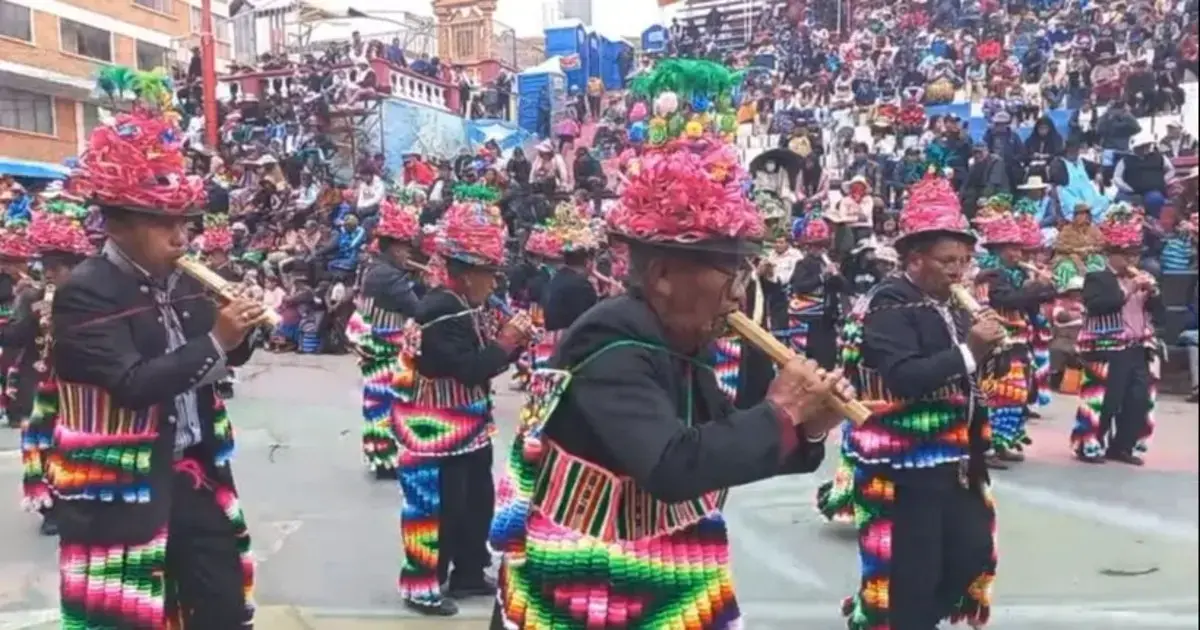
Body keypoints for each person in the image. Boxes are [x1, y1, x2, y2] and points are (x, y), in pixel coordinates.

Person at [489, 142, 847, 630]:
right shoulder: (612, 335)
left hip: (665, 571)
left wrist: (807, 426)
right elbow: (673, 464)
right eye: (730, 270)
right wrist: (780, 411)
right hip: (590, 583)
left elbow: (721, 441)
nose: (740, 290)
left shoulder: (678, 338)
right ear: (662, 276)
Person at [50, 103, 263, 627]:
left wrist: (241, 331)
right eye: (164, 223)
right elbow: (132, 384)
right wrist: (218, 337)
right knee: (127, 618)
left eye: (184, 223)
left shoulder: (187, 282)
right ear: (119, 224)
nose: (181, 238)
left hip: (194, 475)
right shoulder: (85, 292)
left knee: (223, 611)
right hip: (121, 488)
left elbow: (216, 360)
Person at [840, 174, 1003, 629]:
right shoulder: (887, 305)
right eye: (947, 260)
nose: (958, 271)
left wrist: (989, 357)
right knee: (910, 574)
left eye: (965, 261)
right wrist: (971, 349)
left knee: (972, 552)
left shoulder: (947, 303)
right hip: (905, 463)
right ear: (914, 260)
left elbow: (962, 374)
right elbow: (905, 377)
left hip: (955, 457)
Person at [394, 192, 532, 615]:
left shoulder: (466, 305)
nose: (494, 283)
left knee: (476, 502)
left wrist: (511, 342)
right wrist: (507, 342)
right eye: (489, 274)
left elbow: (483, 362)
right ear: (467, 275)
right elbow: (469, 368)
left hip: (469, 426)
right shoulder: (441, 310)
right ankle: (423, 583)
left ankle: (469, 570)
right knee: (439, 509)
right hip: (433, 430)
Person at [19, 204, 95, 537]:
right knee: (42, 444)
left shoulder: (92, 301)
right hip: (45, 386)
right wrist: (34, 315)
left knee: (74, 448)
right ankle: (49, 508)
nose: (50, 274)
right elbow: (15, 336)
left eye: (58, 268)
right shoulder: (34, 297)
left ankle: (75, 502)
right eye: (47, 267)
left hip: (79, 390)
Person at [1073, 205, 1166, 466]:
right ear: (1111, 255)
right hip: (1107, 347)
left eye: (1135, 255)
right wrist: (1129, 289)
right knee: (1107, 399)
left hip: (1138, 346)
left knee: (1138, 399)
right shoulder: (1097, 277)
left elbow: (1161, 313)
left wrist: (1154, 294)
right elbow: (1098, 305)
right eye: (1126, 255)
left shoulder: (1144, 277)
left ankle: (1122, 446)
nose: (1132, 261)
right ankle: (1089, 443)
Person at [973, 201, 1057, 466]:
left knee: (1018, 394)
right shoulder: (990, 275)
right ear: (996, 250)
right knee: (995, 394)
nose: (1016, 253)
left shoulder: (1016, 274)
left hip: (1019, 340)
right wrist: (1035, 288)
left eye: (1018, 248)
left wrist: (1045, 286)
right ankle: (985, 446)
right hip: (996, 341)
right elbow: (1008, 300)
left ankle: (1004, 441)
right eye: (1010, 248)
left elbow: (1029, 302)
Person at [346, 199, 422, 480]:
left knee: (376, 401)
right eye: (403, 248)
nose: (407, 253)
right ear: (391, 247)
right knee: (385, 402)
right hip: (384, 346)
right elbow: (416, 309)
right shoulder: (389, 276)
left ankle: (379, 456)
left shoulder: (377, 268)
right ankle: (384, 459)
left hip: (376, 345)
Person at [785, 213, 845, 369]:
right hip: (808, 322)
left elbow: (845, 288)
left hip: (828, 320)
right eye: (817, 245)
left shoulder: (829, 264)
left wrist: (836, 275)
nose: (820, 249)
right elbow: (799, 286)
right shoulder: (803, 264)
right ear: (808, 246)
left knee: (828, 362)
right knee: (809, 362)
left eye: (823, 245)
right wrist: (821, 277)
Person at [1114, 134, 1176, 218]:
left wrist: (1163, 180)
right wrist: (1126, 187)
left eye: (1147, 145)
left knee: (1155, 199)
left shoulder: (1159, 157)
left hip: (1153, 191)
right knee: (1123, 202)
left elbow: (1171, 169)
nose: (1146, 147)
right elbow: (1117, 177)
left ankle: (1152, 219)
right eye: (1143, 145)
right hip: (1131, 192)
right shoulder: (1126, 160)